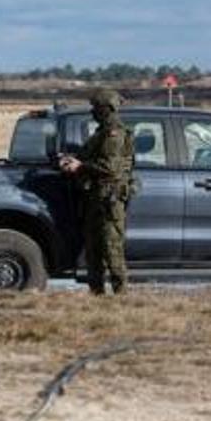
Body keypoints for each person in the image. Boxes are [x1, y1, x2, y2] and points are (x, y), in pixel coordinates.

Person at [59, 88, 135, 295]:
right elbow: (94, 159)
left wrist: (80, 167)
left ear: (106, 109)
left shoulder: (114, 133)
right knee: (93, 250)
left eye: (96, 108)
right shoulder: (101, 132)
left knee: (111, 249)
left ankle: (121, 295)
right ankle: (97, 295)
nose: (92, 111)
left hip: (109, 199)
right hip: (96, 198)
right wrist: (74, 160)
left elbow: (110, 167)